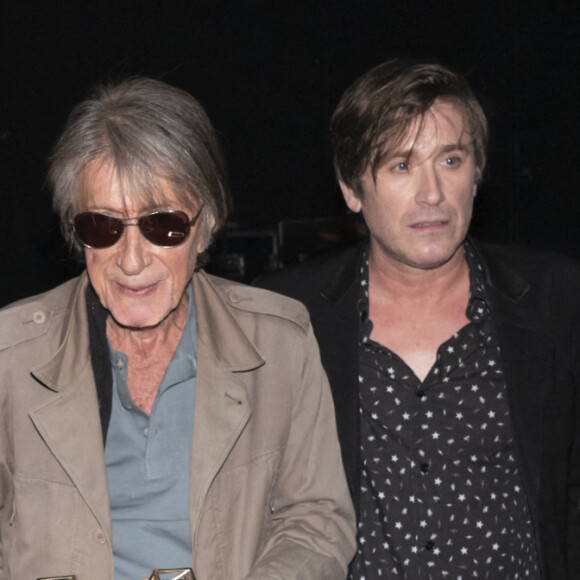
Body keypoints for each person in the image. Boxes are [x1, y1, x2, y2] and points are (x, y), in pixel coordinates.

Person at [0, 77, 356, 580]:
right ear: (76, 234)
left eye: (162, 225)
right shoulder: (10, 355)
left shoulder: (280, 344)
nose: (130, 259)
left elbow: (317, 522)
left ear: (206, 224)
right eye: (102, 226)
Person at [257, 59, 580, 579]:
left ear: (476, 174)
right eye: (401, 165)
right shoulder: (286, 318)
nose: (432, 193)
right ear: (351, 189)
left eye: (450, 160)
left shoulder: (556, 300)